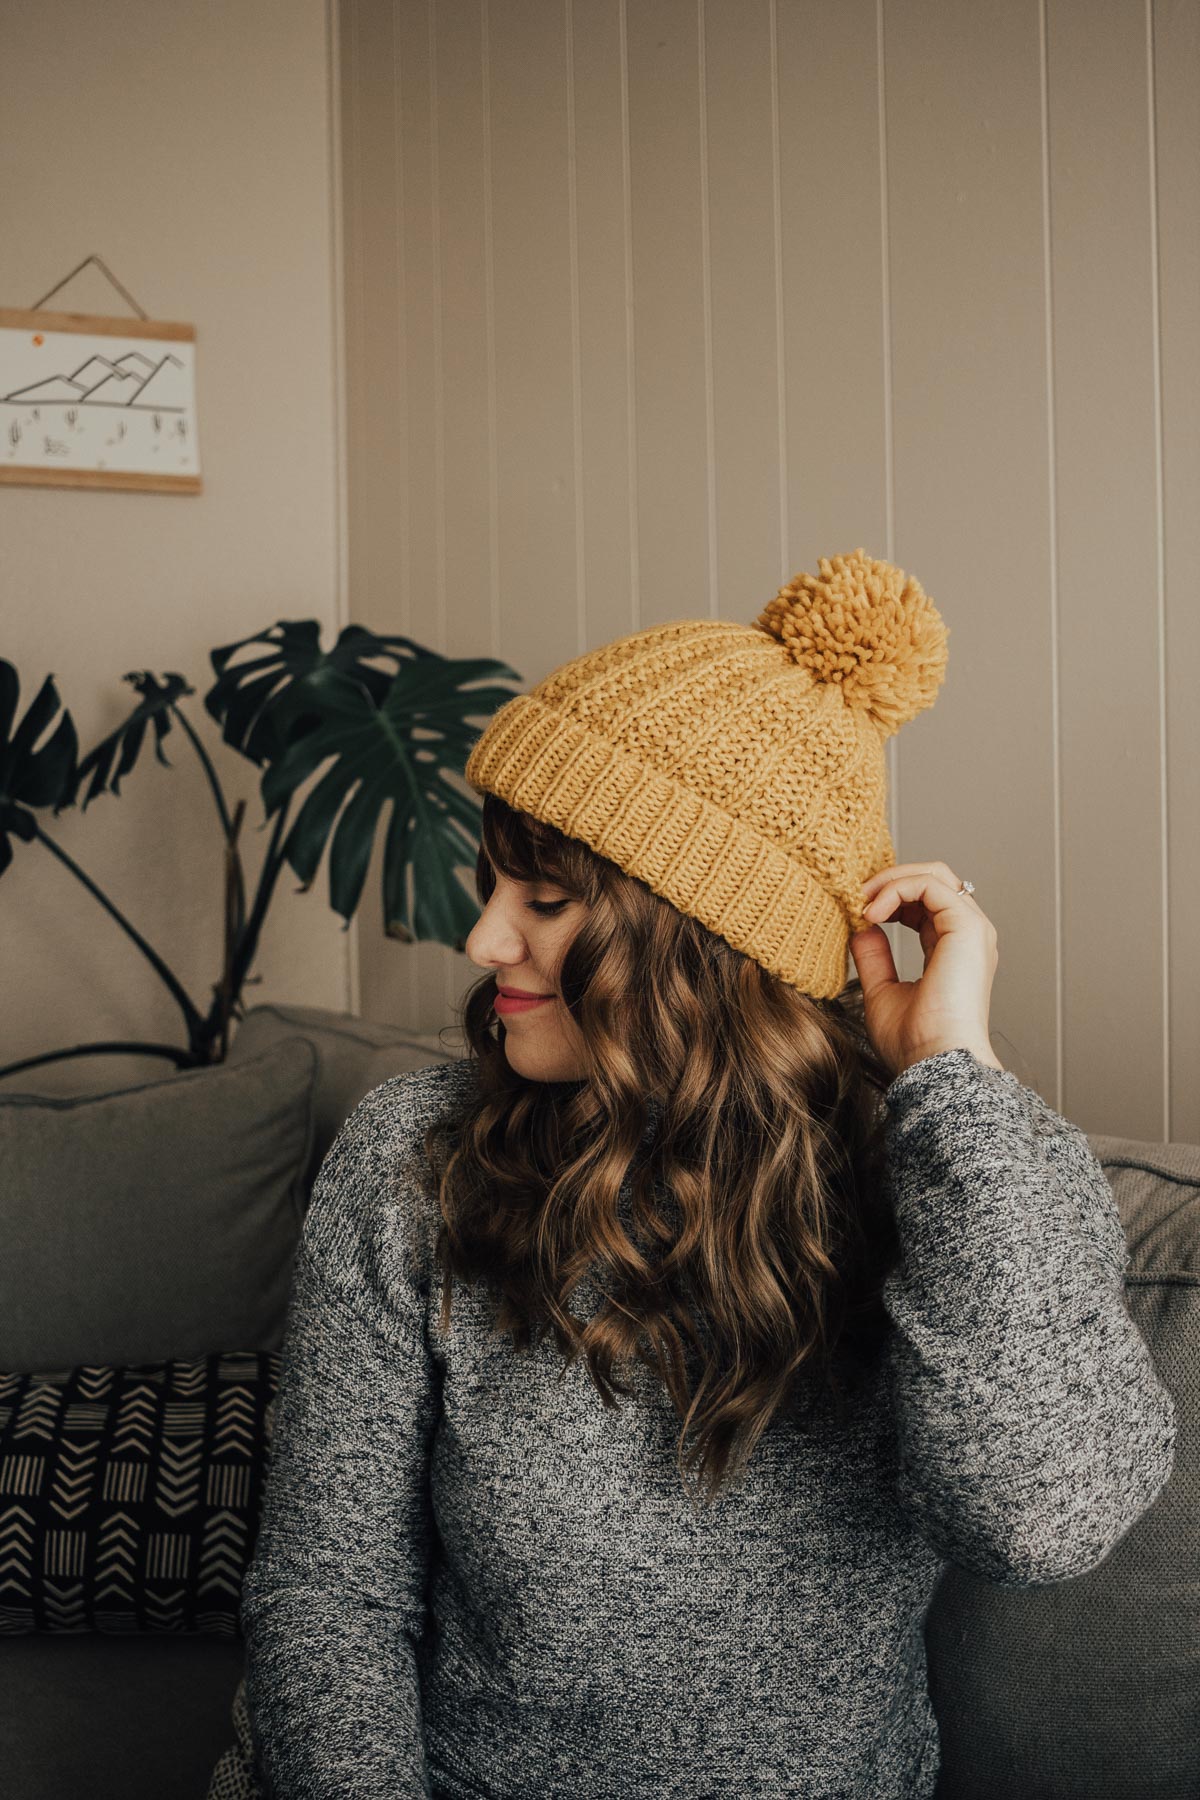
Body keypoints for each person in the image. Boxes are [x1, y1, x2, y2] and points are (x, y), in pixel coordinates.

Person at [214, 549, 1176, 1799]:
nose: (482, 938)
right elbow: (326, 1592)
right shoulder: (414, 1156)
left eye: (547, 898)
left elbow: (1043, 1519)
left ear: (698, 944)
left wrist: (950, 1070)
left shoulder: (957, 1169)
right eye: (496, 879)